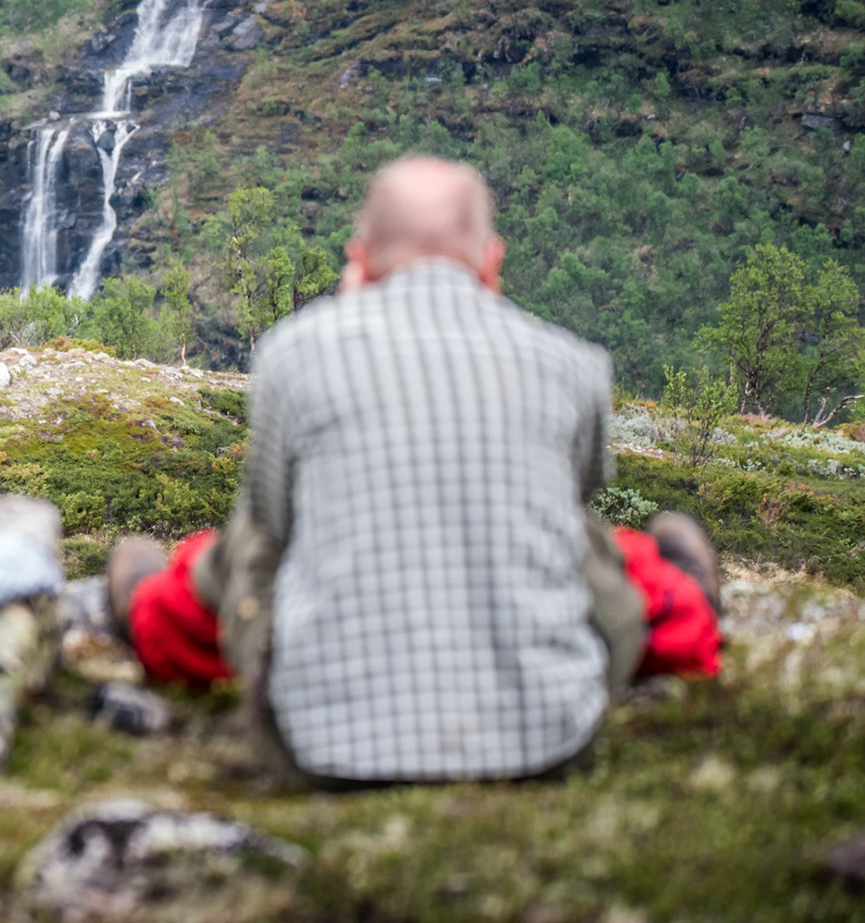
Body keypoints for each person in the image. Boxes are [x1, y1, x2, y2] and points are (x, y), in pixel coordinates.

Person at [108, 157, 721, 784]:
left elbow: (275, 520)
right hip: (552, 745)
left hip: (322, 752)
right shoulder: (573, 363)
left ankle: (154, 618)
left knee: (254, 537)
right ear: (491, 259)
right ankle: (686, 608)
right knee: (579, 530)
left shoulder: (294, 353)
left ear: (360, 258)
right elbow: (577, 503)